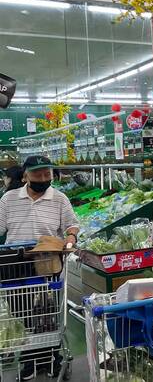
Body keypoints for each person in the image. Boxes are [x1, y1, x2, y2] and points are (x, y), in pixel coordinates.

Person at [0, 156, 79, 379]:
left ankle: (51, 359)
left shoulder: (60, 199)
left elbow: (71, 224)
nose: (43, 179)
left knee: (48, 313)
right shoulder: (9, 199)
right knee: (22, 314)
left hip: (47, 262)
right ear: (26, 176)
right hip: (15, 265)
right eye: (37, 174)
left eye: (47, 174)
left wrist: (71, 236)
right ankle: (30, 360)